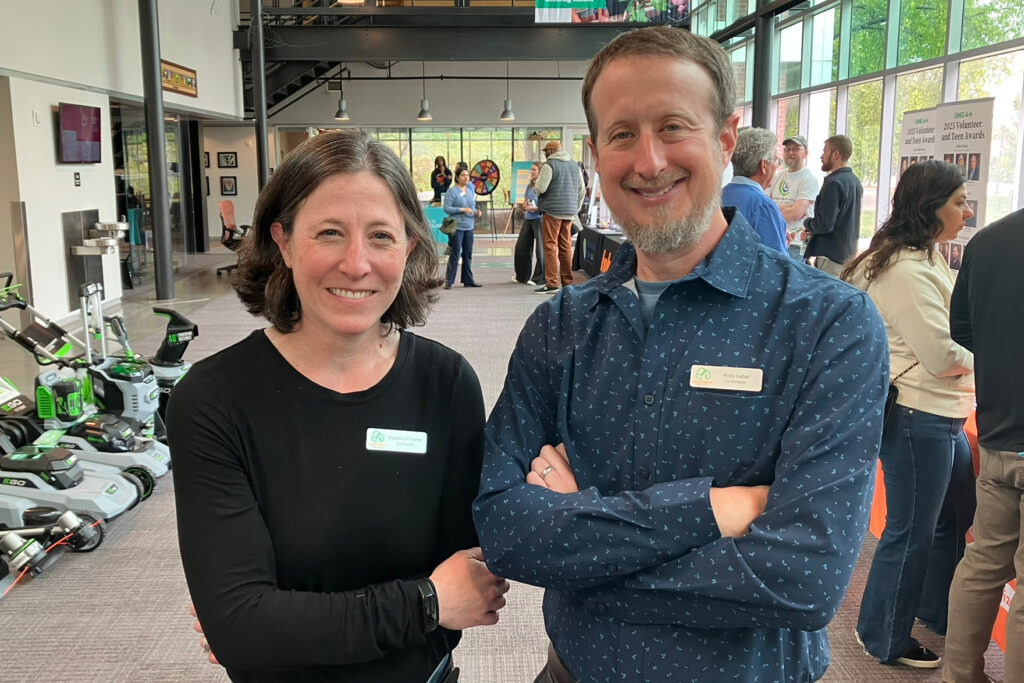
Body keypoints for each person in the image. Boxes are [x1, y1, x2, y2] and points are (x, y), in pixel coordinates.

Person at [473, 25, 888, 683]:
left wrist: (581, 546)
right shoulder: (560, 326)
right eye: (621, 134)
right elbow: (506, 529)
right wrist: (714, 511)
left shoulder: (828, 323)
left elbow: (804, 577)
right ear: (595, 151)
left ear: (726, 139)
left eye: (673, 127)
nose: (648, 160)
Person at [169, 130, 508, 682]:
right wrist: (424, 601)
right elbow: (242, 631)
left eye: (380, 236)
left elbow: (469, 587)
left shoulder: (445, 383)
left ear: (410, 248)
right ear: (283, 241)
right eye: (329, 233)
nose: (356, 264)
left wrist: (284, 625)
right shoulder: (214, 399)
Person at [842, 160, 976, 669]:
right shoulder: (903, 269)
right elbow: (943, 356)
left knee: (950, 518)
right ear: (930, 208)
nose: (966, 212)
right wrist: (995, 358)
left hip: (940, 415)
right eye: (959, 202)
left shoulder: (925, 258)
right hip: (920, 415)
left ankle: (930, 610)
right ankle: (882, 636)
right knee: (911, 530)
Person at [943, 208, 1024, 683]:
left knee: (982, 563)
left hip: (997, 432)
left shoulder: (988, 241)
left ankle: (959, 674)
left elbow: (963, 331)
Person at [803, 134, 863, 276]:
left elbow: (825, 224)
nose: (821, 156)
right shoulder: (855, 181)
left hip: (830, 257)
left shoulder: (834, 183)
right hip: (847, 256)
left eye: (825, 152)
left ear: (835, 154)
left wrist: (808, 223)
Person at [720, 127, 788, 254]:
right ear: (764, 165)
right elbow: (776, 266)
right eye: (776, 161)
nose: (777, 167)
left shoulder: (715, 197)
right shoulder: (763, 206)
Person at [534, 139, 585, 294]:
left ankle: (552, 283)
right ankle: (567, 282)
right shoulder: (574, 166)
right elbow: (581, 190)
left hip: (552, 212)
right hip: (569, 213)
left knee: (550, 247)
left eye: (545, 152)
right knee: (566, 248)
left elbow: (541, 188)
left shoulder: (549, 165)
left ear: (550, 152)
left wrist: (535, 188)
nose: (544, 154)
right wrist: (574, 208)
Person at [770, 134, 819, 260]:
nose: (790, 152)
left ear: (805, 153)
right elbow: (766, 205)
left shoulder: (808, 179)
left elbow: (796, 214)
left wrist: (774, 212)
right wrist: (788, 207)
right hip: (776, 240)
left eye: (796, 149)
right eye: (787, 149)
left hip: (796, 244)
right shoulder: (777, 176)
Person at [442, 167, 483, 289]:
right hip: (457, 227)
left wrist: (477, 212)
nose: (466, 177)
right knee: (455, 253)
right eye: (463, 175)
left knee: (468, 253)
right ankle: (449, 281)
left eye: (467, 175)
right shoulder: (452, 191)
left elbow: (472, 208)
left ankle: (468, 280)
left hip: (469, 227)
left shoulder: (470, 191)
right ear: (457, 177)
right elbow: (447, 208)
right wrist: (461, 209)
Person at [514, 162, 545, 285]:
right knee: (521, 246)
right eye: (531, 169)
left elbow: (545, 203)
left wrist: (536, 208)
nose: (531, 172)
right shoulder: (529, 186)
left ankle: (540, 277)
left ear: (540, 172)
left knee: (540, 249)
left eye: (534, 169)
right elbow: (525, 201)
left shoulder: (543, 186)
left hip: (539, 218)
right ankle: (522, 276)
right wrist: (525, 206)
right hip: (528, 218)